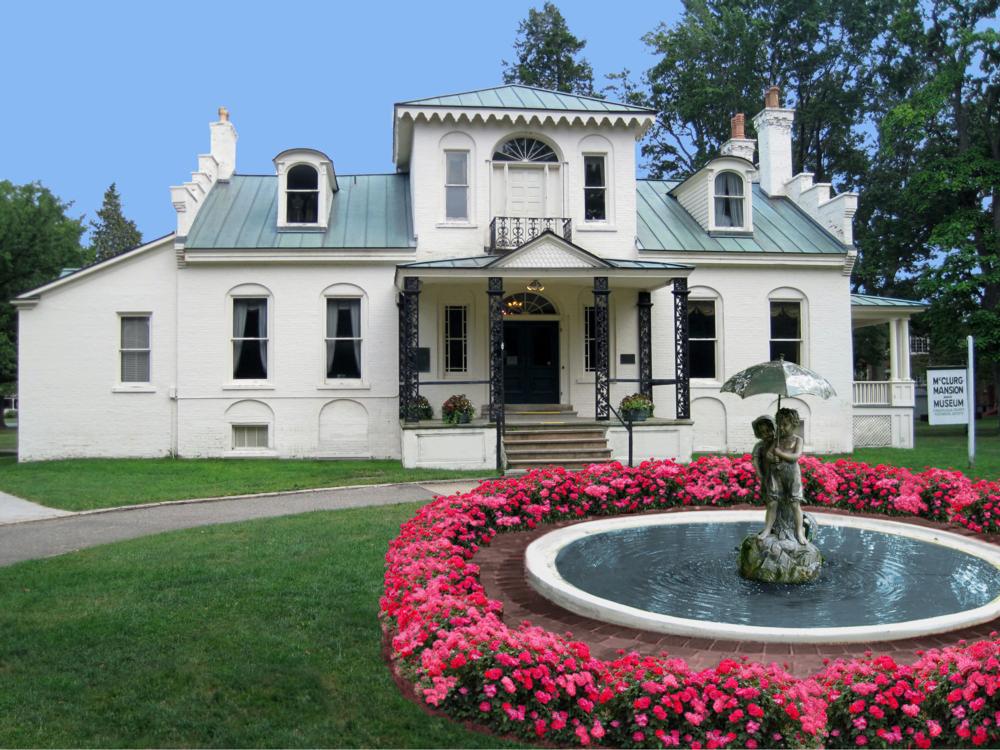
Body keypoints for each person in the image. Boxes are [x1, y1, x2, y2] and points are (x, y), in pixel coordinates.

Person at [770, 407, 806, 544]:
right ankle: (773, 528)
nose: (781, 428)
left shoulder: (798, 440)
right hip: (778, 474)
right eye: (779, 424)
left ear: (794, 423)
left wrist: (779, 454)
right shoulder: (777, 440)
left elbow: (795, 456)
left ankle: (798, 532)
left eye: (785, 424)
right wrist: (772, 458)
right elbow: (768, 454)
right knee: (775, 501)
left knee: (795, 503)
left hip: (792, 475)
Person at [751, 415, 778, 539]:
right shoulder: (759, 446)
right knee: (771, 503)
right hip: (768, 478)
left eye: (768, 430)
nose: (766, 434)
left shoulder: (779, 443)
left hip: (781, 478)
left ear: (774, 428)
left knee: (779, 504)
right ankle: (770, 527)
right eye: (762, 432)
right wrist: (761, 476)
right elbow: (755, 461)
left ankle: (777, 527)